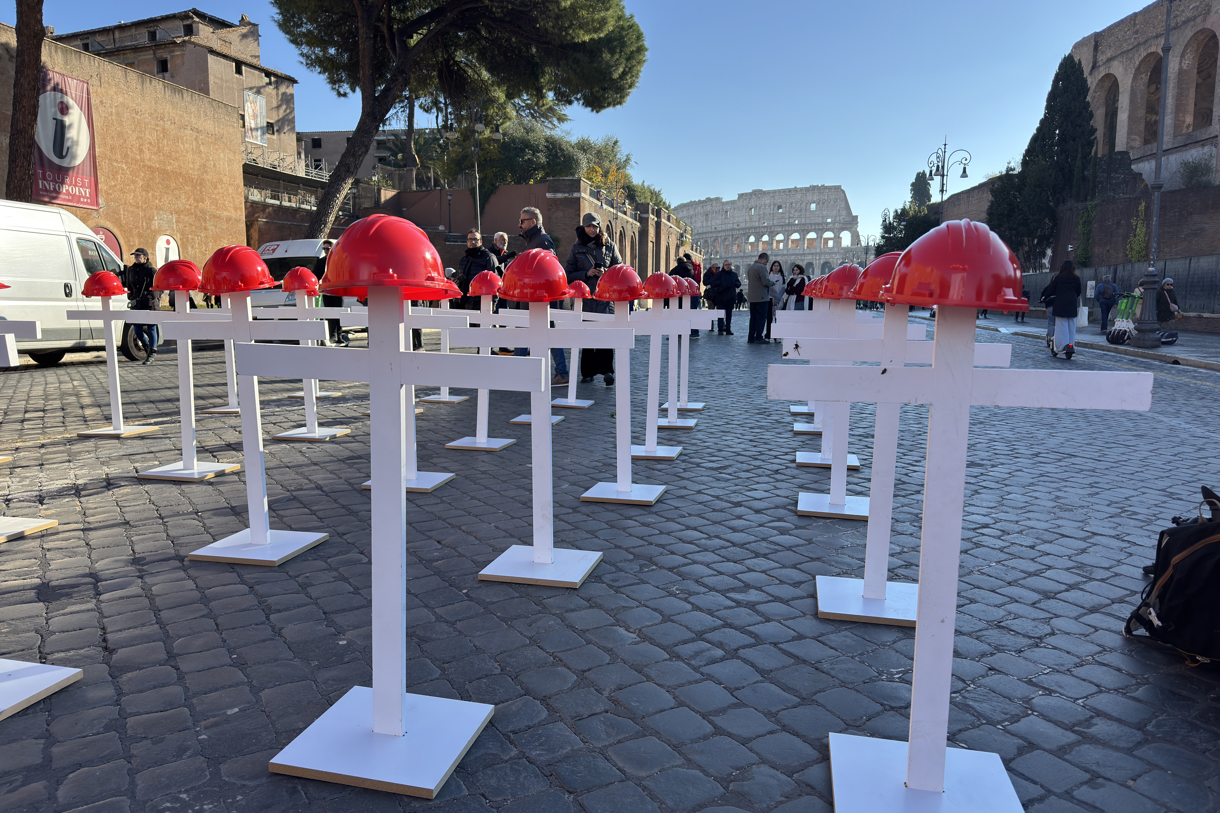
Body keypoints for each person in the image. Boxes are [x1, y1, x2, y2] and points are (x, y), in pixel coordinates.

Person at [564, 212, 621, 386]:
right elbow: (568, 274)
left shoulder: (609, 245)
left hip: (605, 298)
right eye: (589, 226)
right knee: (587, 335)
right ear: (583, 227)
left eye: (595, 226)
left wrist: (607, 273)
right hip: (586, 298)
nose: (592, 229)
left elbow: (619, 268)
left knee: (606, 335)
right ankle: (587, 373)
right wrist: (586, 274)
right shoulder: (576, 247)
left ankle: (607, 371)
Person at [514, 207, 565, 380]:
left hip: (540, 299)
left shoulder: (542, 241)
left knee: (547, 333)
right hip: (530, 296)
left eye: (522, 221)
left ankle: (561, 372)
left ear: (533, 222)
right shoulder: (533, 240)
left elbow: (550, 271)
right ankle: (519, 369)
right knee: (523, 330)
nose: (519, 224)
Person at [124, 248, 160, 364]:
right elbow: (129, 285)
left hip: (149, 302)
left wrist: (153, 295)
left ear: (145, 257)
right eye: (135, 255)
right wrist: (131, 296)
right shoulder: (131, 270)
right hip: (137, 302)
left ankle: (152, 353)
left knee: (151, 327)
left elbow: (160, 286)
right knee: (136, 328)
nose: (136, 257)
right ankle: (146, 346)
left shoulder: (152, 270)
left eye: (138, 255)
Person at [1045, 259, 1082, 358]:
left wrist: (1045, 297)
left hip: (1061, 303)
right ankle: (1071, 345)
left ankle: (1062, 346)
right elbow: (1079, 291)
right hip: (1072, 303)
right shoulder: (1076, 278)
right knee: (1071, 326)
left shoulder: (1058, 277)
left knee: (1062, 325)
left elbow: (1051, 290)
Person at [455, 229, 500, 310]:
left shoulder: (489, 257)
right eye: (470, 239)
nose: (472, 242)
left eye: (475, 239)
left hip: (482, 302)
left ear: (481, 242)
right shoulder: (463, 260)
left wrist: (493, 303)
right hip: (464, 302)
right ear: (467, 241)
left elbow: (496, 281)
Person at [315, 240, 345, 345]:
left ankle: (340, 336)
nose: (326, 251)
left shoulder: (338, 260)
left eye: (327, 249)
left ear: (332, 249)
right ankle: (332, 336)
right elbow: (315, 275)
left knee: (339, 313)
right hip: (326, 292)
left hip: (337, 291)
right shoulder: (321, 261)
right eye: (324, 249)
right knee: (330, 314)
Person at [746, 252, 773, 344]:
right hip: (761, 297)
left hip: (752, 297)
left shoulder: (751, 267)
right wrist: (773, 283)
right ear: (764, 259)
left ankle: (751, 337)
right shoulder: (761, 267)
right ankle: (758, 337)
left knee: (753, 318)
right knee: (761, 318)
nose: (766, 263)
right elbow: (765, 282)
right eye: (767, 261)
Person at [709, 261, 741, 334]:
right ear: (723, 266)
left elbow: (739, 284)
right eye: (726, 265)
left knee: (729, 315)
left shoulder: (734, 274)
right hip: (721, 297)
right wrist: (721, 284)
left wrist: (736, 283)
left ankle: (728, 329)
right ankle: (720, 329)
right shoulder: (719, 274)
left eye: (729, 264)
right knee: (720, 314)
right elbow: (714, 283)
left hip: (731, 297)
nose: (728, 266)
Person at [766, 260, 785, 342]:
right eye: (774, 265)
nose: (776, 267)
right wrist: (776, 296)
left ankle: (777, 336)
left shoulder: (783, 277)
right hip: (770, 299)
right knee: (769, 318)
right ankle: (768, 334)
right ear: (772, 267)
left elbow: (784, 288)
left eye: (777, 266)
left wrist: (778, 296)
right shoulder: (768, 276)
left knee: (778, 319)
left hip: (779, 300)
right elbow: (768, 288)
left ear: (780, 267)